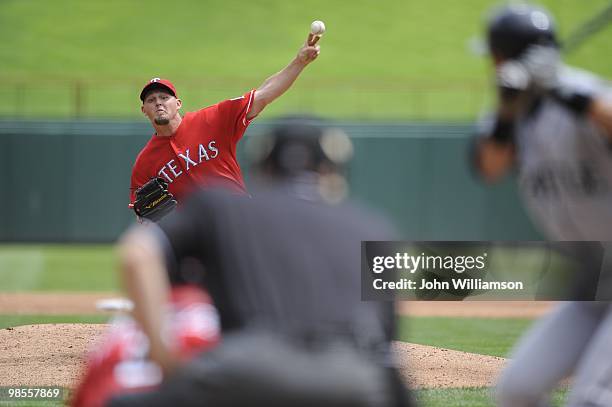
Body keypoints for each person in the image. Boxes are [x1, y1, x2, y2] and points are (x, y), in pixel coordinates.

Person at [110, 118, 412, 406]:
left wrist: (165, 361)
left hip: (250, 368)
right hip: (352, 380)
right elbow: (384, 347)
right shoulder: (374, 227)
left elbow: (138, 255)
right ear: (332, 172)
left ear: (263, 168)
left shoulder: (219, 203)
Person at [472, 4, 612, 406]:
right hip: (591, 280)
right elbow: (489, 167)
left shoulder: (587, 93)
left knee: (592, 397)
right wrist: (505, 109)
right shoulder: (511, 111)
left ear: (500, 54)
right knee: (518, 390)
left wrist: (563, 90)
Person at [129, 34, 322, 209]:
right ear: (144, 110)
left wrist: (299, 62)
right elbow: (141, 212)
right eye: (151, 100)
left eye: (164, 97)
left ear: (178, 103)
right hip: (197, 236)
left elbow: (263, 95)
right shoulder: (144, 163)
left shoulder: (212, 119)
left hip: (238, 216)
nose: (159, 103)